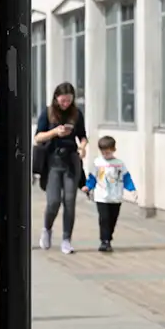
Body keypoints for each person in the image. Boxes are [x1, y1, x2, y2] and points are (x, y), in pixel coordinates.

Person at [33, 81, 88, 254]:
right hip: (53, 162)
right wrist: (55, 132)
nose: (65, 104)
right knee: (54, 201)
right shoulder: (48, 113)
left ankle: (66, 239)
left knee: (70, 201)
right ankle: (46, 229)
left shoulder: (76, 114)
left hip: (71, 161)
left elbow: (83, 136)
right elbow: (38, 137)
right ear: (56, 98)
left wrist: (82, 147)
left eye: (69, 100)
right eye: (63, 100)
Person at [85, 135, 136, 252]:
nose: (105, 155)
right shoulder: (98, 163)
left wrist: (132, 189)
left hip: (116, 197)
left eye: (107, 152)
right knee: (104, 218)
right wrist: (88, 187)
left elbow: (126, 177)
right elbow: (92, 177)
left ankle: (108, 237)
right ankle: (104, 241)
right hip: (101, 197)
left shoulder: (119, 164)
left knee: (113, 219)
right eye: (103, 153)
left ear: (113, 150)